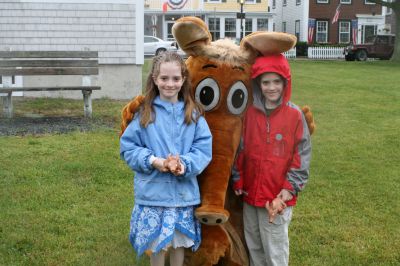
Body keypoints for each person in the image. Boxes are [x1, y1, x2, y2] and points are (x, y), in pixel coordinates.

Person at [120, 52, 212, 266]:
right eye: (164, 78)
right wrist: (153, 161)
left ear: (183, 80)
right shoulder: (144, 113)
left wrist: (184, 164)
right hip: (153, 194)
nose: (170, 84)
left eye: (175, 79)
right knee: (158, 246)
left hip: (182, 194)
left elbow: (203, 149)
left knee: (179, 244)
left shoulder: (194, 115)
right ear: (154, 79)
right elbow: (128, 148)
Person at [232, 54, 312, 266]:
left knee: (274, 252)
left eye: (277, 81)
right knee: (255, 247)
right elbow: (240, 149)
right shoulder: (248, 113)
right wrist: (238, 179)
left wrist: (286, 192)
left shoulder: (294, 116)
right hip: (250, 196)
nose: (271, 88)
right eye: (266, 82)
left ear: (285, 82)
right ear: (258, 84)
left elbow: (301, 158)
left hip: (276, 199)